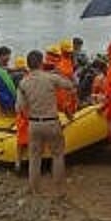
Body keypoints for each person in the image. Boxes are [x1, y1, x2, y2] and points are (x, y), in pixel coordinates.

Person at [16, 50, 76, 194]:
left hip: (34, 124)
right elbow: (70, 85)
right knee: (57, 155)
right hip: (51, 122)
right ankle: (59, 190)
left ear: (28, 65)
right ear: (41, 62)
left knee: (34, 158)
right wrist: (59, 73)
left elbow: (19, 107)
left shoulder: (23, 83)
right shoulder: (51, 78)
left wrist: (30, 115)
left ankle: (34, 189)